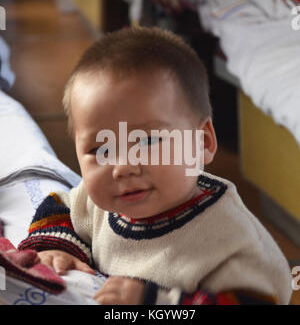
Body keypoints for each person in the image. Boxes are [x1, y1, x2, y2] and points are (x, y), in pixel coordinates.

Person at [18, 26, 292, 305]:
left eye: (147, 142)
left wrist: (155, 302)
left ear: (203, 141)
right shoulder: (97, 203)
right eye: (102, 149)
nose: (123, 167)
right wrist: (55, 248)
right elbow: (61, 206)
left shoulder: (230, 241)